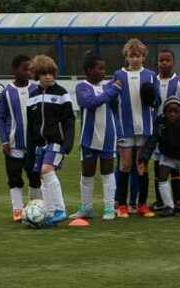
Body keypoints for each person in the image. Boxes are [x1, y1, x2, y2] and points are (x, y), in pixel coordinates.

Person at [69, 51, 121, 221]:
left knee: (108, 173)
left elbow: (114, 107)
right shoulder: (82, 87)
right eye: (100, 68)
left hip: (107, 137)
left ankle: (108, 208)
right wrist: (112, 91)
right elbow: (90, 103)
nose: (103, 72)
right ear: (89, 70)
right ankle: (86, 208)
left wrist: (112, 92)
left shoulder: (108, 87)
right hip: (89, 137)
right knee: (87, 174)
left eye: (104, 68)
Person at [25, 55, 75, 227]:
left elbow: (69, 120)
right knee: (42, 176)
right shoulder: (32, 95)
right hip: (40, 144)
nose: (48, 77)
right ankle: (50, 213)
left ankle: (60, 209)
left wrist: (67, 143)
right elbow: (31, 125)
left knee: (47, 170)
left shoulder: (61, 93)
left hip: (57, 142)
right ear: (37, 75)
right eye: (44, 73)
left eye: (51, 73)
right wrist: (30, 150)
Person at [113, 38, 160, 218]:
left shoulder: (150, 75)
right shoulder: (118, 75)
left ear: (143, 57)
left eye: (138, 56)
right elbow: (112, 101)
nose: (135, 59)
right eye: (131, 56)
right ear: (126, 56)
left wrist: (152, 98)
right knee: (125, 165)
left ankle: (142, 204)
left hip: (145, 127)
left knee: (141, 165)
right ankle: (122, 205)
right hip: (125, 127)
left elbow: (156, 101)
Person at [0, 55, 42, 222]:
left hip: (33, 145)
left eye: (30, 69)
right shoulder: (7, 92)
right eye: (25, 69)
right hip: (14, 144)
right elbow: (1, 117)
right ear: (15, 70)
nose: (28, 72)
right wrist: (4, 140)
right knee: (14, 178)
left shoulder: (36, 89)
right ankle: (17, 209)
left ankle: (34, 207)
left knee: (35, 177)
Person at [151, 49, 180, 213]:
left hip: (174, 130)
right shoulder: (153, 81)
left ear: (173, 62)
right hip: (158, 129)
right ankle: (161, 200)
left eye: (167, 60)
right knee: (157, 165)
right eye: (161, 60)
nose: (164, 63)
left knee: (174, 165)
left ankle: (177, 201)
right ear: (157, 62)